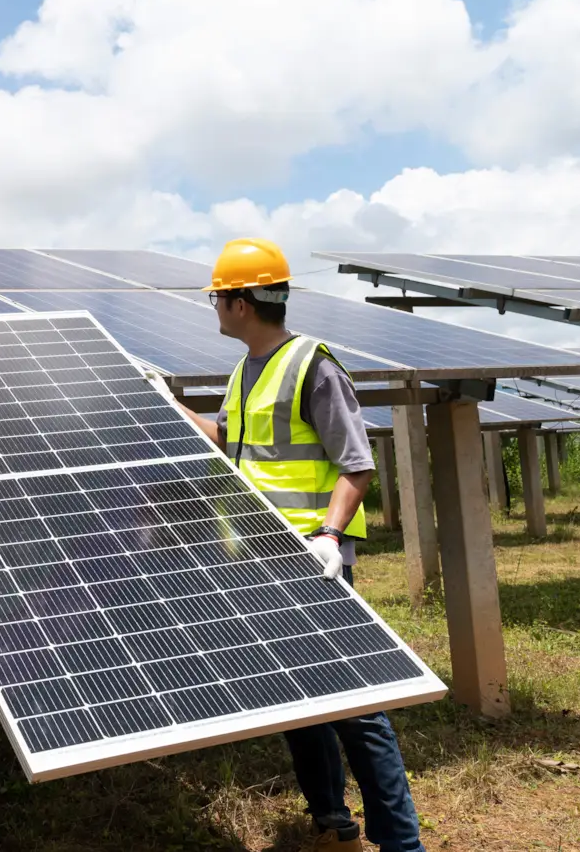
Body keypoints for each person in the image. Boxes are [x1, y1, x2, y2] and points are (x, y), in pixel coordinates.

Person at [155, 239, 426, 852]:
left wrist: (330, 536)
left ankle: (404, 844)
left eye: (219, 298)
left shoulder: (313, 366)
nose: (214, 308)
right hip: (261, 557)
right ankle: (333, 824)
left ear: (244, 302)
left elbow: (356, 465)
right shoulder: (247, 370)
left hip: (315, 560)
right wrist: (169, 407)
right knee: (298, 698)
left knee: (357, 708)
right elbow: (228, 437)